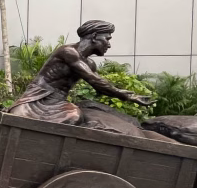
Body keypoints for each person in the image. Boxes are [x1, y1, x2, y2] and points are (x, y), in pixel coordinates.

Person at [8, 20, 152, 125]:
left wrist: (126, 96)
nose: (108, 44)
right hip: (37, 99)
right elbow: (95, 81)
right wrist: (129, 96)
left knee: (74, 117)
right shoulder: (68, 52)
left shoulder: (90, 64)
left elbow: (99, 85)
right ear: (95, 36)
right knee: (17, 117)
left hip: (58, 103)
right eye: (107, 39)